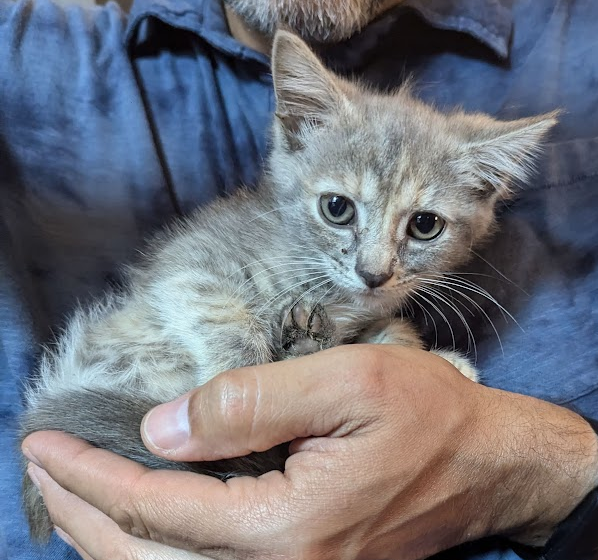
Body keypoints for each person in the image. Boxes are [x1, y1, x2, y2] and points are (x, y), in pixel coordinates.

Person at [2, 0, 598, 559]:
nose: (374, 267)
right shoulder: (29, 47)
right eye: (340, 209)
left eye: (422, 225)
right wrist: (242, 378)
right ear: (294, 130)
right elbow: (191, 283)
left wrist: (522, 465)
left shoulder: (577, 35)